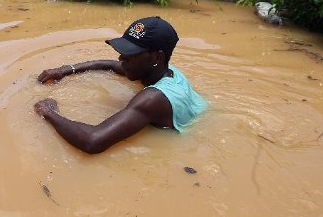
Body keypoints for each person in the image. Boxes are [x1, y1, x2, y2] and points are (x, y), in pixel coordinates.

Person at [34, 16, 206, 154]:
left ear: (157, 58)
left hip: (187, 143)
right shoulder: (166, 71)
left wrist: (49, 112)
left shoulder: (153, 99)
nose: (121, 59)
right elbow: (109, 65)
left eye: (131, 54)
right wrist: (65, 70)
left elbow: (92, 141)